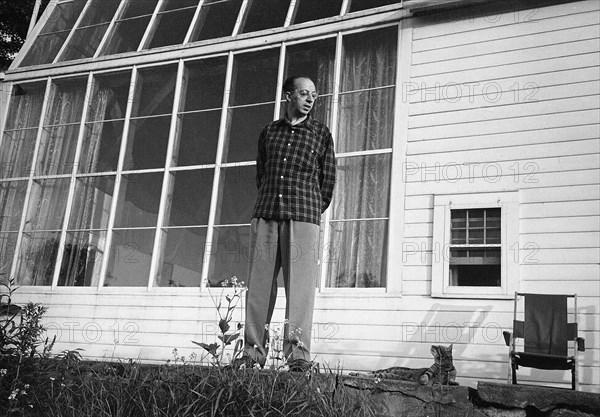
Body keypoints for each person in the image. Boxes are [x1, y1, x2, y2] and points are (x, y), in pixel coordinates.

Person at [238, 75, 336, 371]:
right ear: (288, 95)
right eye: (304, 94)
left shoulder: (320, 133)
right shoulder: (269, 132)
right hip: (267, 213)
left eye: (314, 96)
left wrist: (311, 208)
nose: (310, 100)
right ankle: (251, 355)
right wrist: (269, 201)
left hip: (303, 217)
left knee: (301, 289)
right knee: (258, 288)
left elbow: (328, 180)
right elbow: (261, 173)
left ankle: (298, 358)